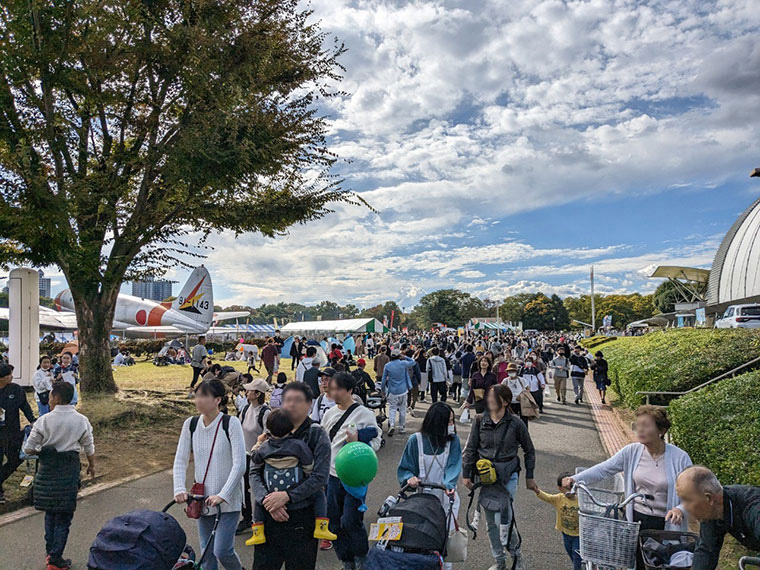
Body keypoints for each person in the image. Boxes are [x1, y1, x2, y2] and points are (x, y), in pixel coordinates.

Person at [565, 406, 692, 569]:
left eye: (646, 425)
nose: (640, 430)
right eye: (637, 425)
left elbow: (693, 494)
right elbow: (604, 469)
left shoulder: (680, 458)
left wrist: (680, 509)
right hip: (636, 520)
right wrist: (575, 479)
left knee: (662, 564)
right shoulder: (632, 451)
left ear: (661, 429)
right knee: (637, 563)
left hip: (666, 523)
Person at [251, 383, 332, 569]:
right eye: (287, 400)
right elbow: (254, 471)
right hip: (268, 515)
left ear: (310, 405)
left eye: (297, 400)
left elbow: (319, 477)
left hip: (302, 519)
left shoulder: (316, 434)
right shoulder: (270, 434)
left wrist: (287, 496)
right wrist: (267, 500)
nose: (291, 405)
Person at [173, 379, 247, 570]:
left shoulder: (231, 423)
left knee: (222, 550)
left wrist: (223, 495)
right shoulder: (191, 424)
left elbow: (240, 464)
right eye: (197, 395)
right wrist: (179, 488)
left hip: (227, 501)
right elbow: (180, 460)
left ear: (218, 400)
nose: (198, 400)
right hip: (201, 499)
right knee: (207, 553)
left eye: (204, 396)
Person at [23, 382, 95, 570]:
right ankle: (56, 559)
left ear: (55, 398)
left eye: (50, 397)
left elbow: (29, 448)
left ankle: (50, 554)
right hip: (69, 469)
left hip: (47, 470)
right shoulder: (81, 420)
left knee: (50, 513)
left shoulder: (44, 420)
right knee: (64, 516)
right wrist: (92, 465)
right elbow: (89, 446)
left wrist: (43, 451)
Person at [462, 384, 536, 570]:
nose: (488, 400)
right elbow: (470, 449)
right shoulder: (480, 420)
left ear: (504, 401)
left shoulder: (516, 423)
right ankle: (500, 561)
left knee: (502, 517)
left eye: (492, 397)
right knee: (490, 523)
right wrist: (466, 475)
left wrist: (530, 476)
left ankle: (517, 557)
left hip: (507, 476)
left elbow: (529, 450)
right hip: (485, 477)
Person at [248, 408, 337, 546]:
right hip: (294, 485)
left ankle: (257, 531)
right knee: (320, 494)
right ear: (290, 428)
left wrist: (258, 443)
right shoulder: (298, 445)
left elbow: (255, 460)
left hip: (271, 489)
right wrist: (307, 472)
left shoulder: (264, 447)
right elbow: (309, 464)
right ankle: (322, 525)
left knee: (258, 503)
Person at [322, 373, 382, 570]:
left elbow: (376, 441)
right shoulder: (329, 414)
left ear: (349, 390)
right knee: (334, 522)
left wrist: (358, 443)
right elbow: (323, 443)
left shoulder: (364, 414)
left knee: (351, 520)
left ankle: (362, 558)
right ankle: (346, 561)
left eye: (337, 388)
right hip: (332, 476)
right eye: (331, 388)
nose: (332, 392)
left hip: (354, 478)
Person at [675, 465, 760, 570]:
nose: (684, 507)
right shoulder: (712, 512)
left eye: (687, 500)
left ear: (709, 498)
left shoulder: (753, 508)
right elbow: (705, 552)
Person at [397, 402, 461, 537]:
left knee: (445, 535)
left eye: (452, 421)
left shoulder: (453, 441)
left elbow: (453, 465)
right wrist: (410, 478)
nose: (452, 425)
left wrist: (449, 484)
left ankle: (442, 557)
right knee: (422, 535)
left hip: (446, 495)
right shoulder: (416, 440)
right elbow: (406, 467)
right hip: (421, 497)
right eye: (448, 422)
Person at [236, 378, 272, 535]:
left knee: (261, 488)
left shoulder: (266, 412)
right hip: (244, 455)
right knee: (243, 489)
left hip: (260, 457)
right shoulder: (245, 409)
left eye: (250, 390)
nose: (247, 392)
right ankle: (247, 518)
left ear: (257, 394)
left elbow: (268, 434)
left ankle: (263, 519)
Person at [0, 363, 36, 504]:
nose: (12, 377)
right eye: (9, 374)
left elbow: (25, 406)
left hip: (12, 431)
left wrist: (32, 420)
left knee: (15, 459)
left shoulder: (15, 389)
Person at [532, 472, 580, 570]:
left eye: (571, 486)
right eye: (566, 488)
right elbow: (548, 497)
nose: (570, 490)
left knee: (576, 555)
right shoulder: (559, 498)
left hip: (578, 535)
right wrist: (538, 491)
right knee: (570, 552)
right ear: (560, 489)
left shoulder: (580, 500)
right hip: (566, 534)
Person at [379, 348, 415, 436]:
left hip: (392, 391)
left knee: (392, 408)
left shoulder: (387, 366)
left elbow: (383, 380)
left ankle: (391, 424)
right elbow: (413, 362)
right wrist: (405, 357)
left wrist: (383, 390)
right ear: (399, 356)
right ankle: (401, 427)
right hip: (403, 390)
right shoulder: (403, 363)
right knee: (402, 409)